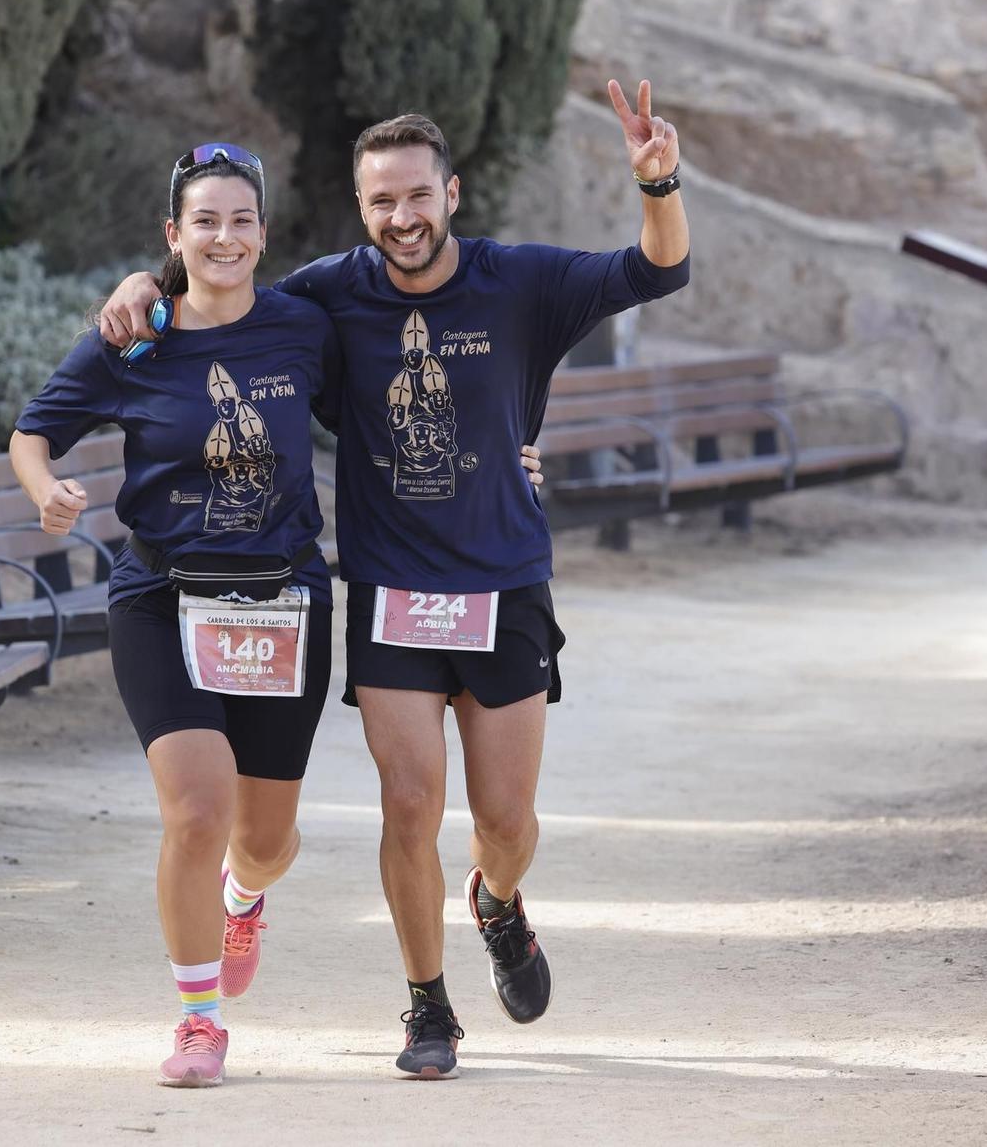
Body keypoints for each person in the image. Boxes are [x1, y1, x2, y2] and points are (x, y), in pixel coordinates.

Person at [97, 81, 691, 1079]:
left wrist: (656, 180)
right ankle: (426, 1005)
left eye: (417, 196)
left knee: (503, 821)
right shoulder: (332, 292)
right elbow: (219, 296)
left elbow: (656, 269)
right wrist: (138, 283)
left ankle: (496, 899)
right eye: (381, 202)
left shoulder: (519, 283)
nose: (401, 218)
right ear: (360, 207)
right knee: (408, 802)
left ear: (450, 192)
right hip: (388, 590)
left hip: (504, 585)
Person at [11, 142, 549, 1088]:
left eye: (242, 220)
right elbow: (33, 432)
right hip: (162, 597)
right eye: (204, 222)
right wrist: (46, 487)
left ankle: (245, 896)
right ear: (174, 235)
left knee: (260, 839)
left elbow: (401, 399)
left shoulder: (305, 326)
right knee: (197, 809)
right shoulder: (135, 336)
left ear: (264, 234)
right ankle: (197, 1020)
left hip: (281, 604)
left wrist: (504, 458)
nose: (225, 237)